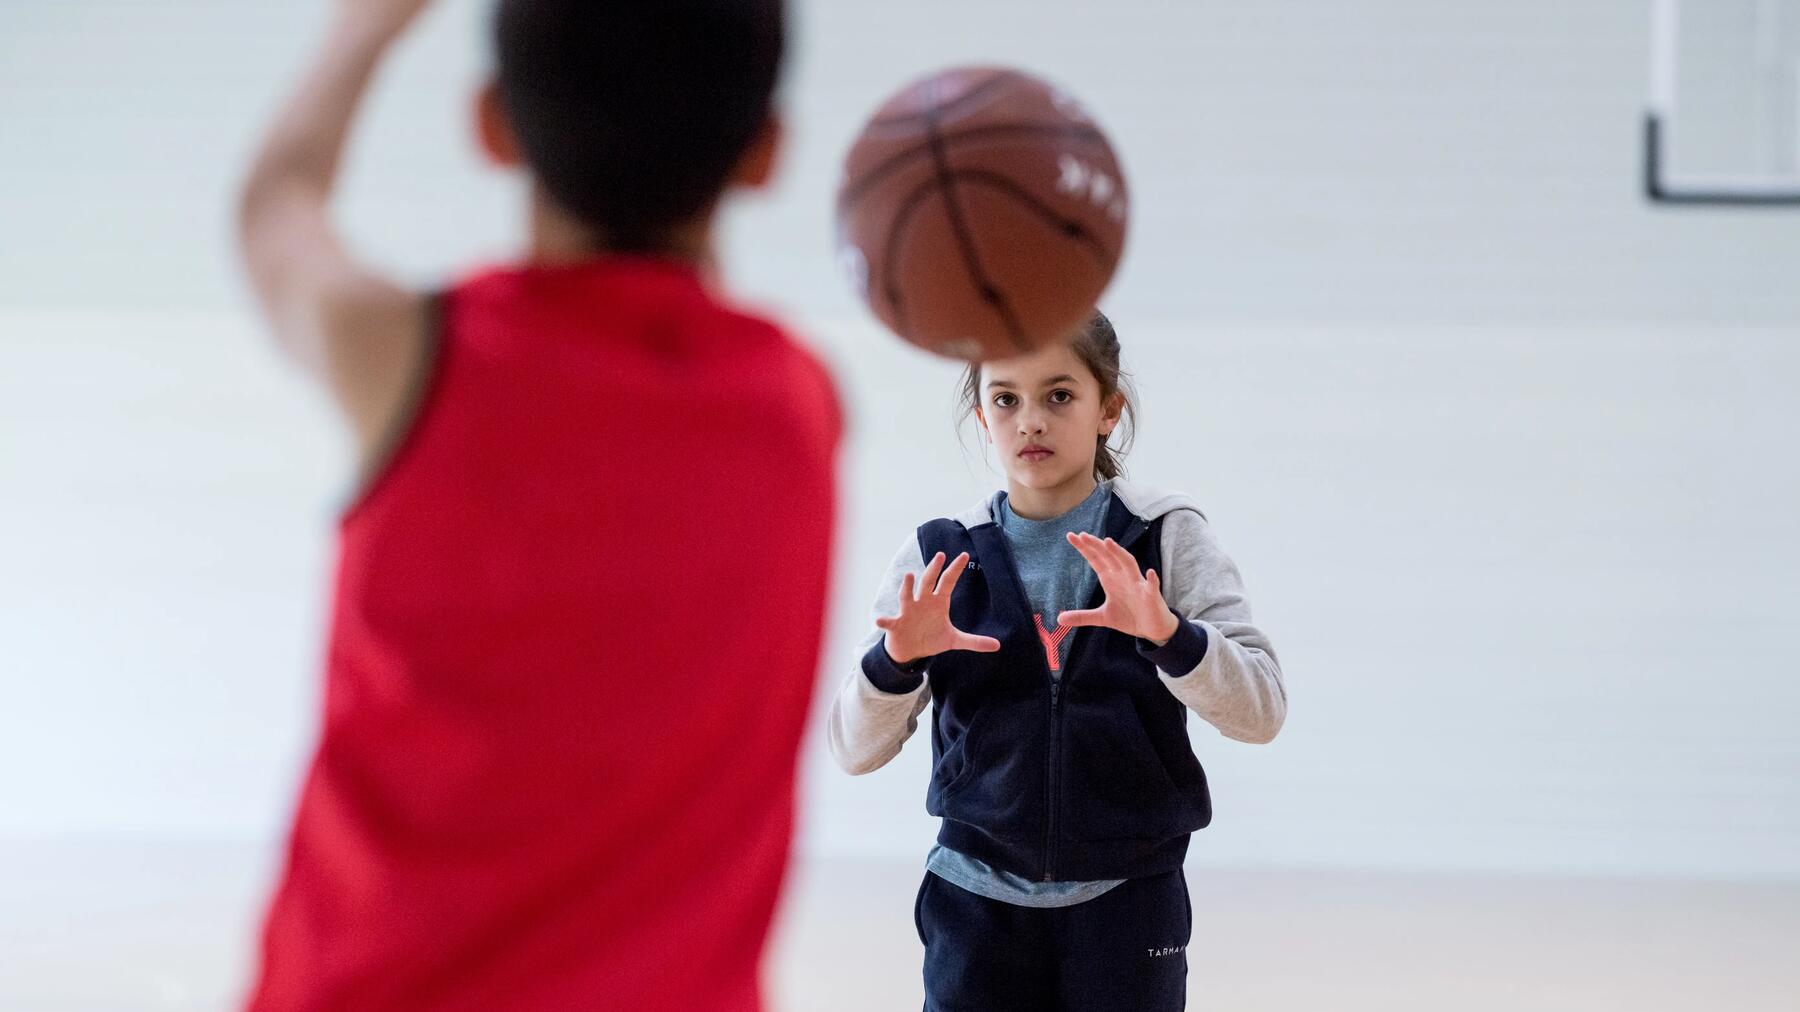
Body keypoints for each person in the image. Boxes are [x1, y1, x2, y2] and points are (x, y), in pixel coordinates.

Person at [235, 1, 838, 1008]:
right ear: (766, 155)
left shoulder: (412, 362)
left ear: (489, 126)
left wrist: (362, 32)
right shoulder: (797, 406)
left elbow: (275, 212)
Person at [826, 311, 1285, 1011]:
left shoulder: (1163, 535)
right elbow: (851, 749)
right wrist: (897, 660)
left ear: (1109, 410)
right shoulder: (941, 554)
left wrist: (1170, 635)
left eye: (1059, 395)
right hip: (974, 905)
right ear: (983, 417)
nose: (1030, 420)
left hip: (1128, 901)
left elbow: (1261, 712)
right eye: (1006, 398)